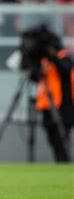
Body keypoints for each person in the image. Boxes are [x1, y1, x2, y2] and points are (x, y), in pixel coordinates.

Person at [34, 29, 73, 162]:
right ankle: (60, 161)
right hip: (47, 105)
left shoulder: (63, 56)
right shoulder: (42, 60)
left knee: (61, 139)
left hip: (63, 106)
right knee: (52, 138)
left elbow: (66, 69)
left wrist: (53, 55)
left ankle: (63, 162)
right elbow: (35, 77)